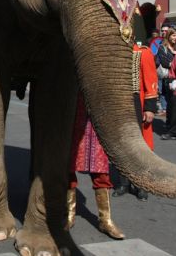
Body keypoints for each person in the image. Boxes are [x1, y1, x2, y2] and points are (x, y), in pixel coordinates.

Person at [66, 94, 124, 240]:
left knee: (101, 172)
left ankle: (105, 220)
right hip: (74, 116)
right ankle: (69, 214)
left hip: (99, 119)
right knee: (68, 168)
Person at [113, 42, 157, 201]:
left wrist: (150, 107)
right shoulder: (113, 52)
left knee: (141, 147)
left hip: (137, 103)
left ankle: (141, 185)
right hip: (120, 104)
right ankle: (124, 183)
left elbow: (151, 80)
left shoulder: (142, 52)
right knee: (121, 145)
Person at [156, 28, 176, 123]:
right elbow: (164, 62)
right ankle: (170, 122)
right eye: (173, 35)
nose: (175, 38)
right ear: (168, 36)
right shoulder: (162, 47)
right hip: (169, 78)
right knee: (170, 101)